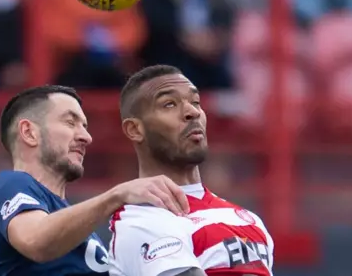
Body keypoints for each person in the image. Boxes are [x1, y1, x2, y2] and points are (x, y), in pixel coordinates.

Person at [0, 85, 190, 276]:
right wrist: (116, 195)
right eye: (70, 122)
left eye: (84, 125)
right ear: (29, 132)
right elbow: (35, 240)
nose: (86, 137)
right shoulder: (9, 184)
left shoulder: (82, 234)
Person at [108, 65, 274, 276]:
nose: (192, 112)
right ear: (135, 129)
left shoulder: (246, 218)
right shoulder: (140, 219)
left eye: (196, 102)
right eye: (169, 104)